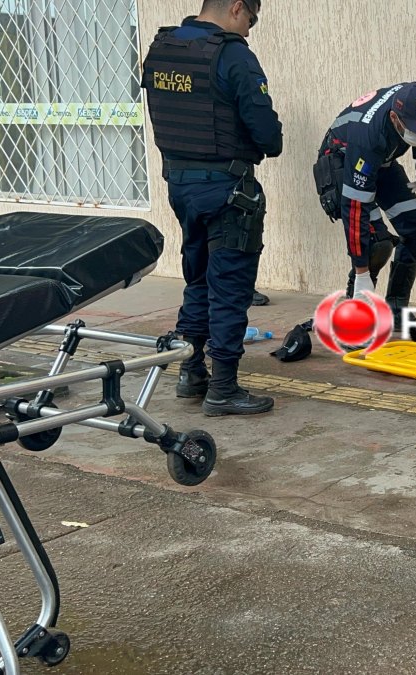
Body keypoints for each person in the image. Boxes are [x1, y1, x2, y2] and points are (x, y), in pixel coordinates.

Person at [140, 0, 281, 416]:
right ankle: (223, 388)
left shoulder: (162, 47)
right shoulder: (233, 54)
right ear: (237, 7)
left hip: (180, 185)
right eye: (251, 20)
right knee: (230, 285)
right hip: (227, 189)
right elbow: (269, 136)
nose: (250, 30)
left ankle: (191, 370)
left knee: (197, 277)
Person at [313, 83, 416, 318]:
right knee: (376, 243)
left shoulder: (414, 101)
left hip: (382, 162)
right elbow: (354, 210)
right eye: (411, 128)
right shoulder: (368, 137)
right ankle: (355, 312)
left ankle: (395, 309)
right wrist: (362, 273)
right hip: (344, 161)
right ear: (394, 117)